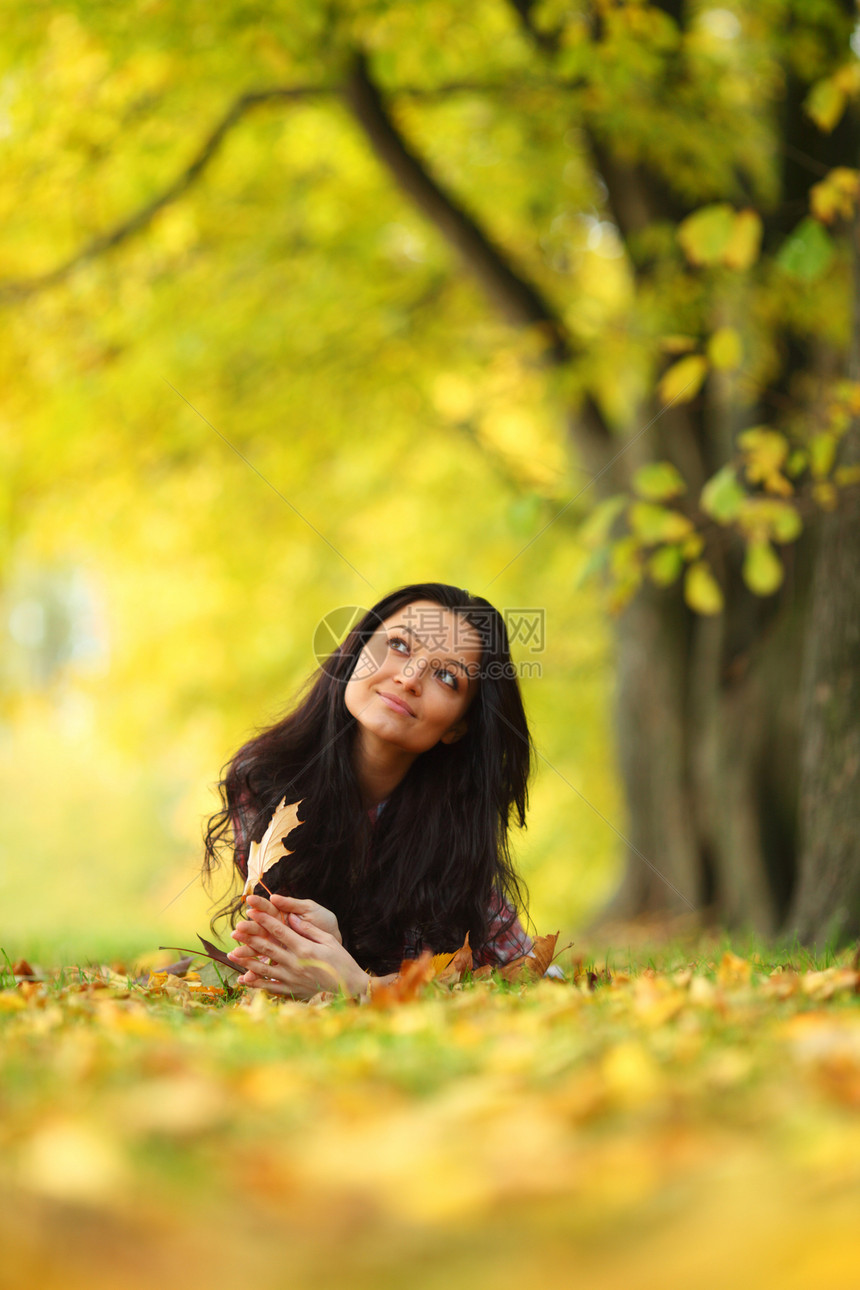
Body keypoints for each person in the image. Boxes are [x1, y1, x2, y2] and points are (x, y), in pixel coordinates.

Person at [202, 582, 538, 1000]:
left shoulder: (454, 827)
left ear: (457, 727)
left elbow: (524, 973)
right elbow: (282, 955)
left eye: (447, 676)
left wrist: (360, 985)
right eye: (398, 645)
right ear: (356, 653)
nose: (409, 677)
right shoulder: (266, 780)